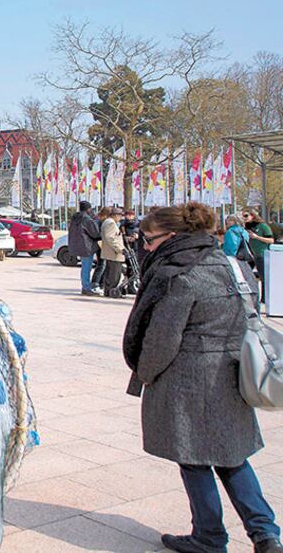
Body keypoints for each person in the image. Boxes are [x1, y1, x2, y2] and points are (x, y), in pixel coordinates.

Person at [123, 202, 282, 553]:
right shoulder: (234, 264)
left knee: (194, 459)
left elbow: (163, 338)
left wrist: (144, 375)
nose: (146, 247)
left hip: (187, 379)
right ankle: (266, 534)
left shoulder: (179, 273)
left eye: (149, 240)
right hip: (231, 374)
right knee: (233, 457)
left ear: (173, 236)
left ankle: (209, 536)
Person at [68, 201, 103, 296]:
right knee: (86, 268)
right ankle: (86, 287)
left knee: (85, 267)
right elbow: (95, 233)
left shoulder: (75, 218)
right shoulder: (87, 219)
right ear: (88, 209)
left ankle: (86, 286)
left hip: (78, 245)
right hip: (87, 246)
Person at [244, 208, 275, 301]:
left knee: (263, 276)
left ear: (252, 216)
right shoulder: (246, 227)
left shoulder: (262, 226)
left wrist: (257, 237)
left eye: (246, 216)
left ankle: (265, 298)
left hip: (262, 254)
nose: (244, 218)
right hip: (252, 255)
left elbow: (271, 240)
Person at [99, 207, 126, 297]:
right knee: (114, 274)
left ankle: (108, 291)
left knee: (110, 273)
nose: (120, 218)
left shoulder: (107, 222)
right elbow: (110, 238)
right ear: (115, 215)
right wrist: (119, 249)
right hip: (113, 253)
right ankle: (111, 291)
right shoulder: (110, 223)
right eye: (120, 216)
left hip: (110, 253)